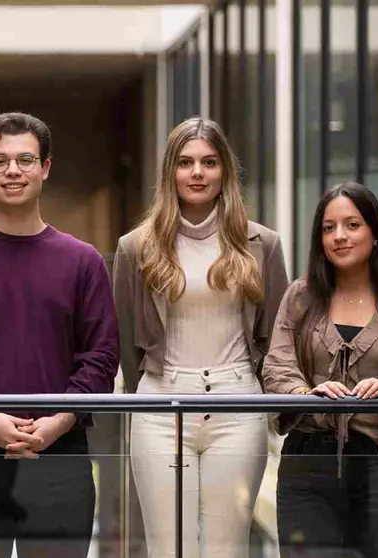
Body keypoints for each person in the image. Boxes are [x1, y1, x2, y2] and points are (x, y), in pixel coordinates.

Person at [0, 112, 120, 558]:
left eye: (26, 159)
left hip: (60, 457)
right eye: (0, 161)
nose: (13, 171)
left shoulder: (83, 262)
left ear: (46, 167)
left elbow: (102, 357)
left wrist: (57, 422)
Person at [113, 116, 289, 557]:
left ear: (224, 172)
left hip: (239, 406)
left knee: (227, 549)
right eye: (186, 162)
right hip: (160, 406)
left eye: (209, 163)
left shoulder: (262, 243)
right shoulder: (135, 247)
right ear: (169, 171)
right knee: (168, 548)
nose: (197, 173)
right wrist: (149, 391)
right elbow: (125, 342)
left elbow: (277, 337)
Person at [262, 181, 378, 557]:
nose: (339, 237)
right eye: (329, 228)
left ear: (375, 233)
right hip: (306, 466)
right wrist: (303, 394)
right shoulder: (300, 295)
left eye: (352, 225)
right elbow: (277, 367)